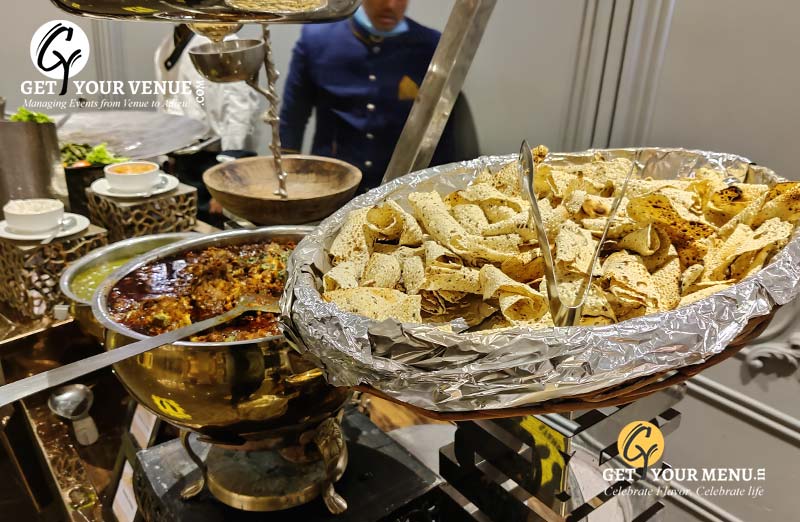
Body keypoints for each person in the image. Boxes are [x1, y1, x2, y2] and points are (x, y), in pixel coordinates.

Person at [280, 0, 456, 192]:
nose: (390, 5)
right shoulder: (317, 40)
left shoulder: (431, 47)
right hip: (329, 184)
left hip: (399, 186)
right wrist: (287, 177)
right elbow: (293, 116)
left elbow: (441, 127)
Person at [154, 25, 261, 225]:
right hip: (182, 161)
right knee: (190, 226)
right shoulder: (165, 46)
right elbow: (165, 103)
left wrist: (227, 180)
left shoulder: (223, 43)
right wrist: (164, 158)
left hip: (218, 161)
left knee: (222, 228)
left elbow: (240, 111)